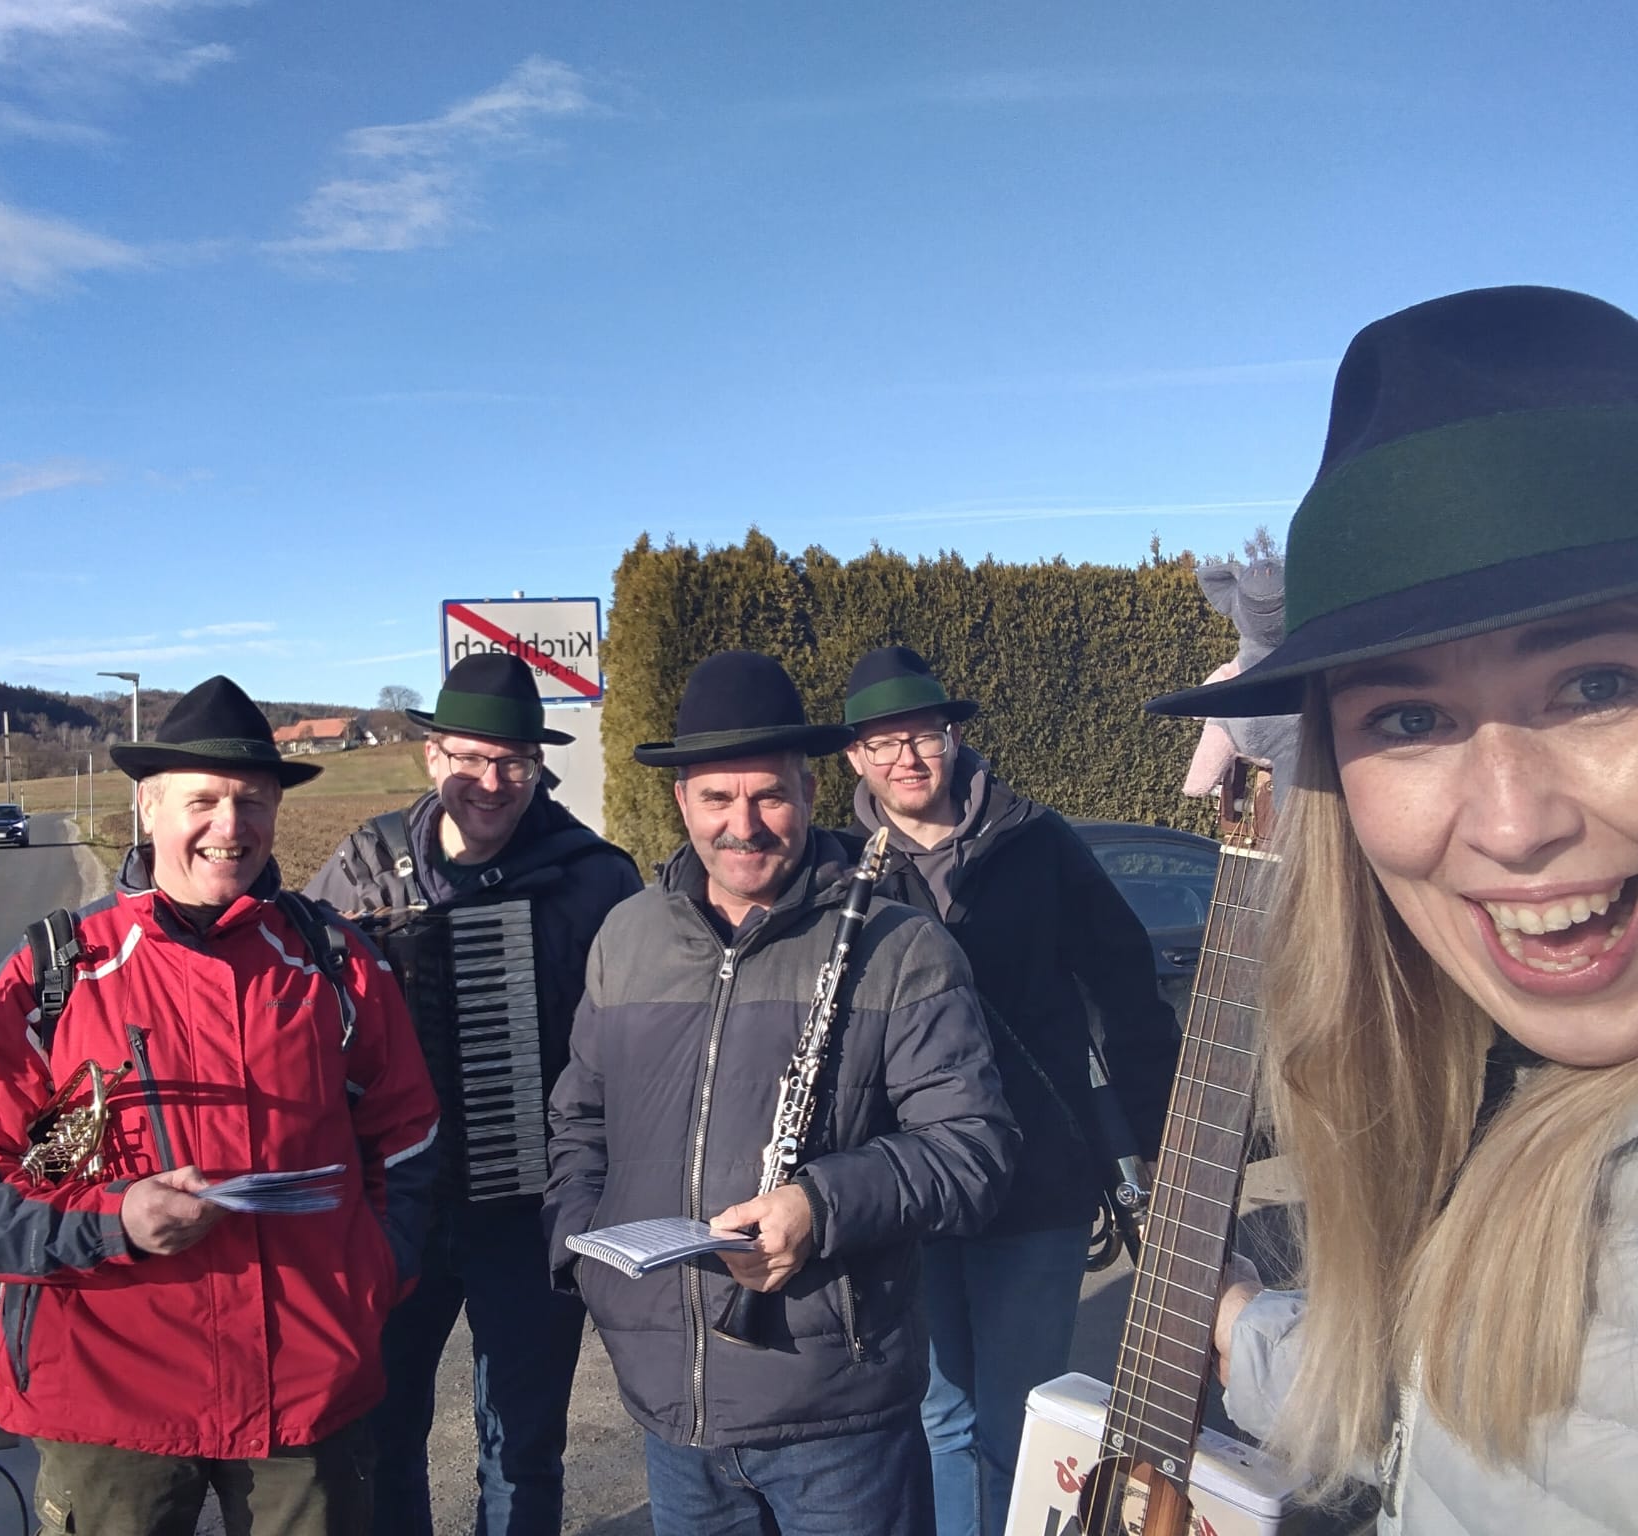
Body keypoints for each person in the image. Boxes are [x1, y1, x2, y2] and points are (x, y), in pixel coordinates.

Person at [1148, 285, 1638, 1532]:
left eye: (1596, 683)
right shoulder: (1493, 1086)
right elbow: (1467, 1409)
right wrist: (1246, 1331)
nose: (1511, 822)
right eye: (1408, 718)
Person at [0, 674, 441, 1536]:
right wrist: (114, 1222)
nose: (231, 826)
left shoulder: (336, 963)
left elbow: (407, 1139)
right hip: (109, 1404)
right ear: (148, 806)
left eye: (253, 801)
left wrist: (371, 1277)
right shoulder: (54, 973)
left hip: (305, 1397)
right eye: (204, 801)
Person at [544, 650, 1019, 1536]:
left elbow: (973, 1151)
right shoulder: (627, 936)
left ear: (809, 791)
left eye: (769, 795)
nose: (744, 825)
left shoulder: (901, 946)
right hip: (670, 1414)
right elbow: (579, 1119)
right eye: (716, 799)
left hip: (837, 1417)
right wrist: (585, 1260)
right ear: (681, 800)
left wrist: (818, 1204)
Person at [835, 646, 1181, 1536]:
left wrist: (1160, 1138)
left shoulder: (1036, 841)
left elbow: (1125, 985)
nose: (907, 758)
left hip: (1038, 1178)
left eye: (924, 735)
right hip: (909, 1187)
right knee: (939, 1419)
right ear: (856, 758)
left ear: (953, 739)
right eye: (884, 743)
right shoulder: (840, 871)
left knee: (1017, 1422)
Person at [305, 652, 642, 1536]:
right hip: (395, 1207)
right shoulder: (362, 868)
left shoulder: (596, 878)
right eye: (471, 759)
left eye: (514, 764)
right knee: (384, 1433)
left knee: (522, 1448)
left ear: (538, 766)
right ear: (433, 757)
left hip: (529, 1211)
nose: (492, 783)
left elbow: (633, 1050)